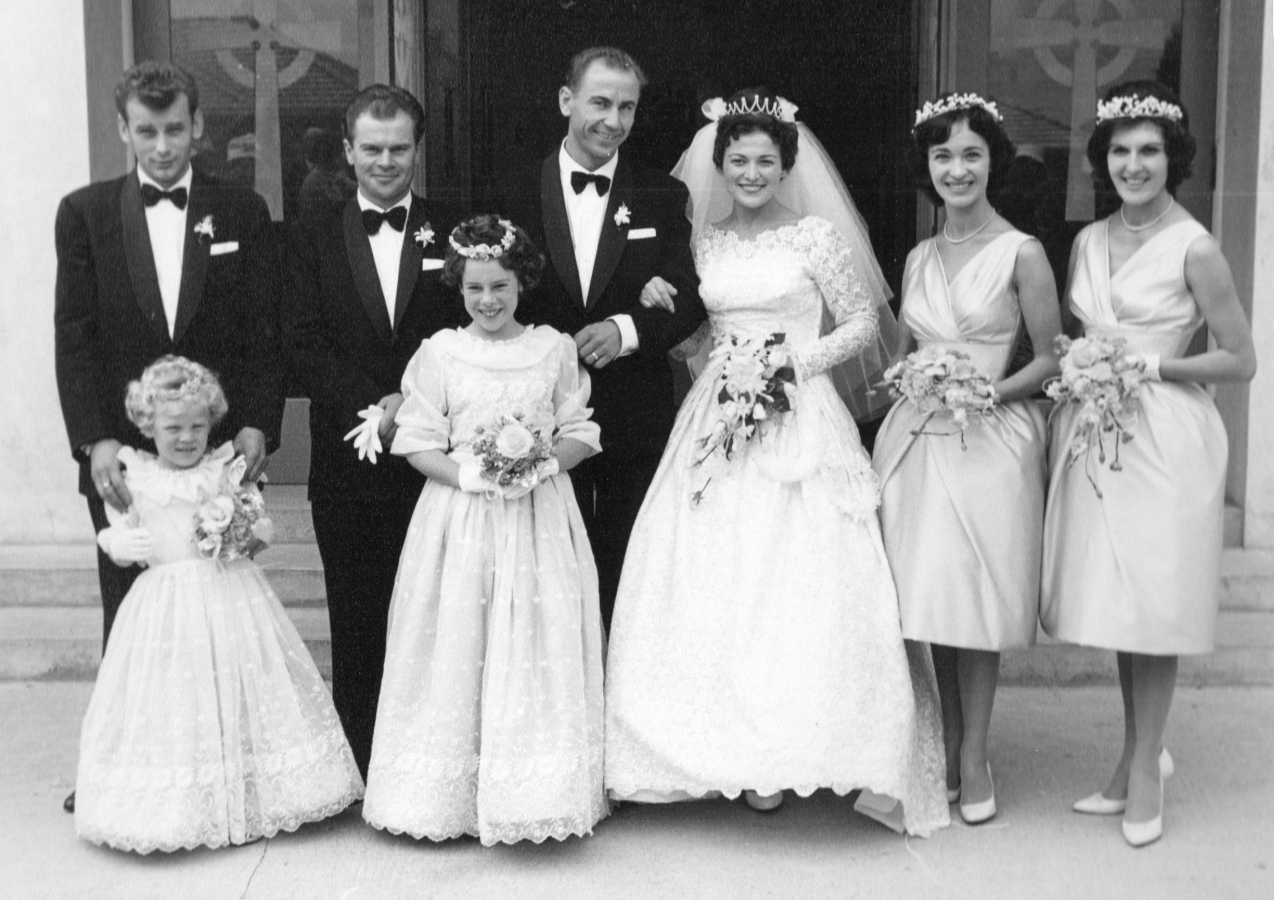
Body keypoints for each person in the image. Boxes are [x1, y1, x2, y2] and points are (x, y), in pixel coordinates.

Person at [602, 88, 949, 835]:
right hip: (717, 414)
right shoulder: (705, 243)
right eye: (738, 160)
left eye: (765, 160)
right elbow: (696, 331)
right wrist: (685, 322)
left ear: (787, 165)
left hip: (802, 413)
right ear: (719, 167)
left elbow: (862, 323)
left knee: (796, 575)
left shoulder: (816, 238)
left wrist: (792, 363)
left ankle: (798, 745)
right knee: (714, 572)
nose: (751, 172)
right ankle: (715, 749)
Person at [54, 61, 283, 813]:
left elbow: (260, 330)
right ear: (123, 129)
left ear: (199, 127)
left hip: (213, 447)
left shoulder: (240, 210)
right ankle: (122, 776)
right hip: (127, 451)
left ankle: (220, 767)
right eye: (145, 131)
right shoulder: (84, 214)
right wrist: (94, 440)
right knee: (132, 611)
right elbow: (76, 335)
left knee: (219, 608)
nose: (161, 146)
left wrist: (256, 422)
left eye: (174, 129)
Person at [1041, 81, 1256, 848]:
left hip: (1166, 436)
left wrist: (1154, 368)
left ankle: (1141, 778)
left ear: (1174, 159)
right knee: (1121, 607)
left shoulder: (1195, 246)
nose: (1135, 165)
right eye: (1122, 152)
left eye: (1150, 152)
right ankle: (1138, 756)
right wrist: (1082, 360)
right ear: (1105, 159)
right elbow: (1084, 331)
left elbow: (1241, 360)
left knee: (1154, 609)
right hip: (1100, 434)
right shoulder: (1087, 241)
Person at [362, 216, 607, 844]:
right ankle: (448, 798)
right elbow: (416, 440)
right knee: (458, 639)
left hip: (537, 517)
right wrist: (470, 477)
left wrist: (542, 465)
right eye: (475, 289)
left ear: (521, 283)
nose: (489, 301)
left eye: (500, 286)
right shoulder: (441, 350)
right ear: (459, 288)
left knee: (532, 637)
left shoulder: (552, 348)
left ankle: (532, 793)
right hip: (461, 517)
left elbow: (579, 430)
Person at [74, 356, 362, 853]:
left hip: (229, 591)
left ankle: (248, 792)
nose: (186, 438)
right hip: (164, 602)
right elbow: (115, 530)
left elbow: (260, 526)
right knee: (173, 697)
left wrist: (246, 532)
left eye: (196, 427)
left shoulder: (223, 470)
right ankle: (183, 803)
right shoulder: (138, 475)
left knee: (235, 684)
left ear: (212, 424)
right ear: (149, 426)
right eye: (172, 428)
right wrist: (122, 546)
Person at [871, 93, 1061, 825]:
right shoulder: (920, 255)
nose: (957, 168)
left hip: (990, 439)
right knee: (928, 600)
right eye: (943, 155)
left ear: (993, 164)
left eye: (971, 154)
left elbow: (1048, 360)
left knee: (975, 603)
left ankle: (976, 754)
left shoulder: (1024, 252)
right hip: (918, 439)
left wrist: (985, 392)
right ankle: (943, 744)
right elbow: (907, 353)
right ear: (928, 167)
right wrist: (912, 381)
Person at [284, 84, 471, 778]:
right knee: (356, 618)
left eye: (399, 149)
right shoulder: (309, 235)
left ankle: (432, 764)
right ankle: (361, 765)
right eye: (372, 149)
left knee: (436, 618)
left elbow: (467, 330)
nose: (386, 161)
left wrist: (414, 403)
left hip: (436, 459)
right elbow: (300, 340)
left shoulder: (455, 231)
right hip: (348, 462)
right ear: (346, 151)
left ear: (418, 150)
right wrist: (374, 404)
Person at [489, 46, 705, 629]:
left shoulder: (662, 195)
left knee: (627, 572)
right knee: (542, 578)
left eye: (627, 107)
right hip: (533, 420)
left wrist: (626, 328)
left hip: (634, 415)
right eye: (601, 102)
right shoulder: (508, 191)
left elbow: (689, 294)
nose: (613, 120)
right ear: (567, 101)